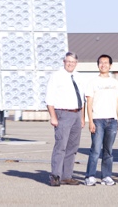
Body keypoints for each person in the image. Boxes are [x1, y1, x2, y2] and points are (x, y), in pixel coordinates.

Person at [45, 52, 86, 186]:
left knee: (72, 147)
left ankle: (67, 176)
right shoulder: (56, 76)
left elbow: (83, 98)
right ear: (64, 62)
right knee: (61, 146)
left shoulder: (79, 77)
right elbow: (49, 98)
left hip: (77, 113)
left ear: (76, 63)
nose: (70, 64)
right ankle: (56, 176)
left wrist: (82, 117)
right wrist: (53, 117)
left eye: (73, 62)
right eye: (68, 61)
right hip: (63, 113)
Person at [84, 54, 118, 186]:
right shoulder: (93, 82)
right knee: (95, 150)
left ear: (110, 65)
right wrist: (91, 121)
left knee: (108, 151)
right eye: (101, 62)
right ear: (98, 65)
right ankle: (90, 176)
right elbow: (89, 103)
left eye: (106, 63)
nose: (103, 65)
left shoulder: (115, 82)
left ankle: (106, 176)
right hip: (98, 120)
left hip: (112, 120)